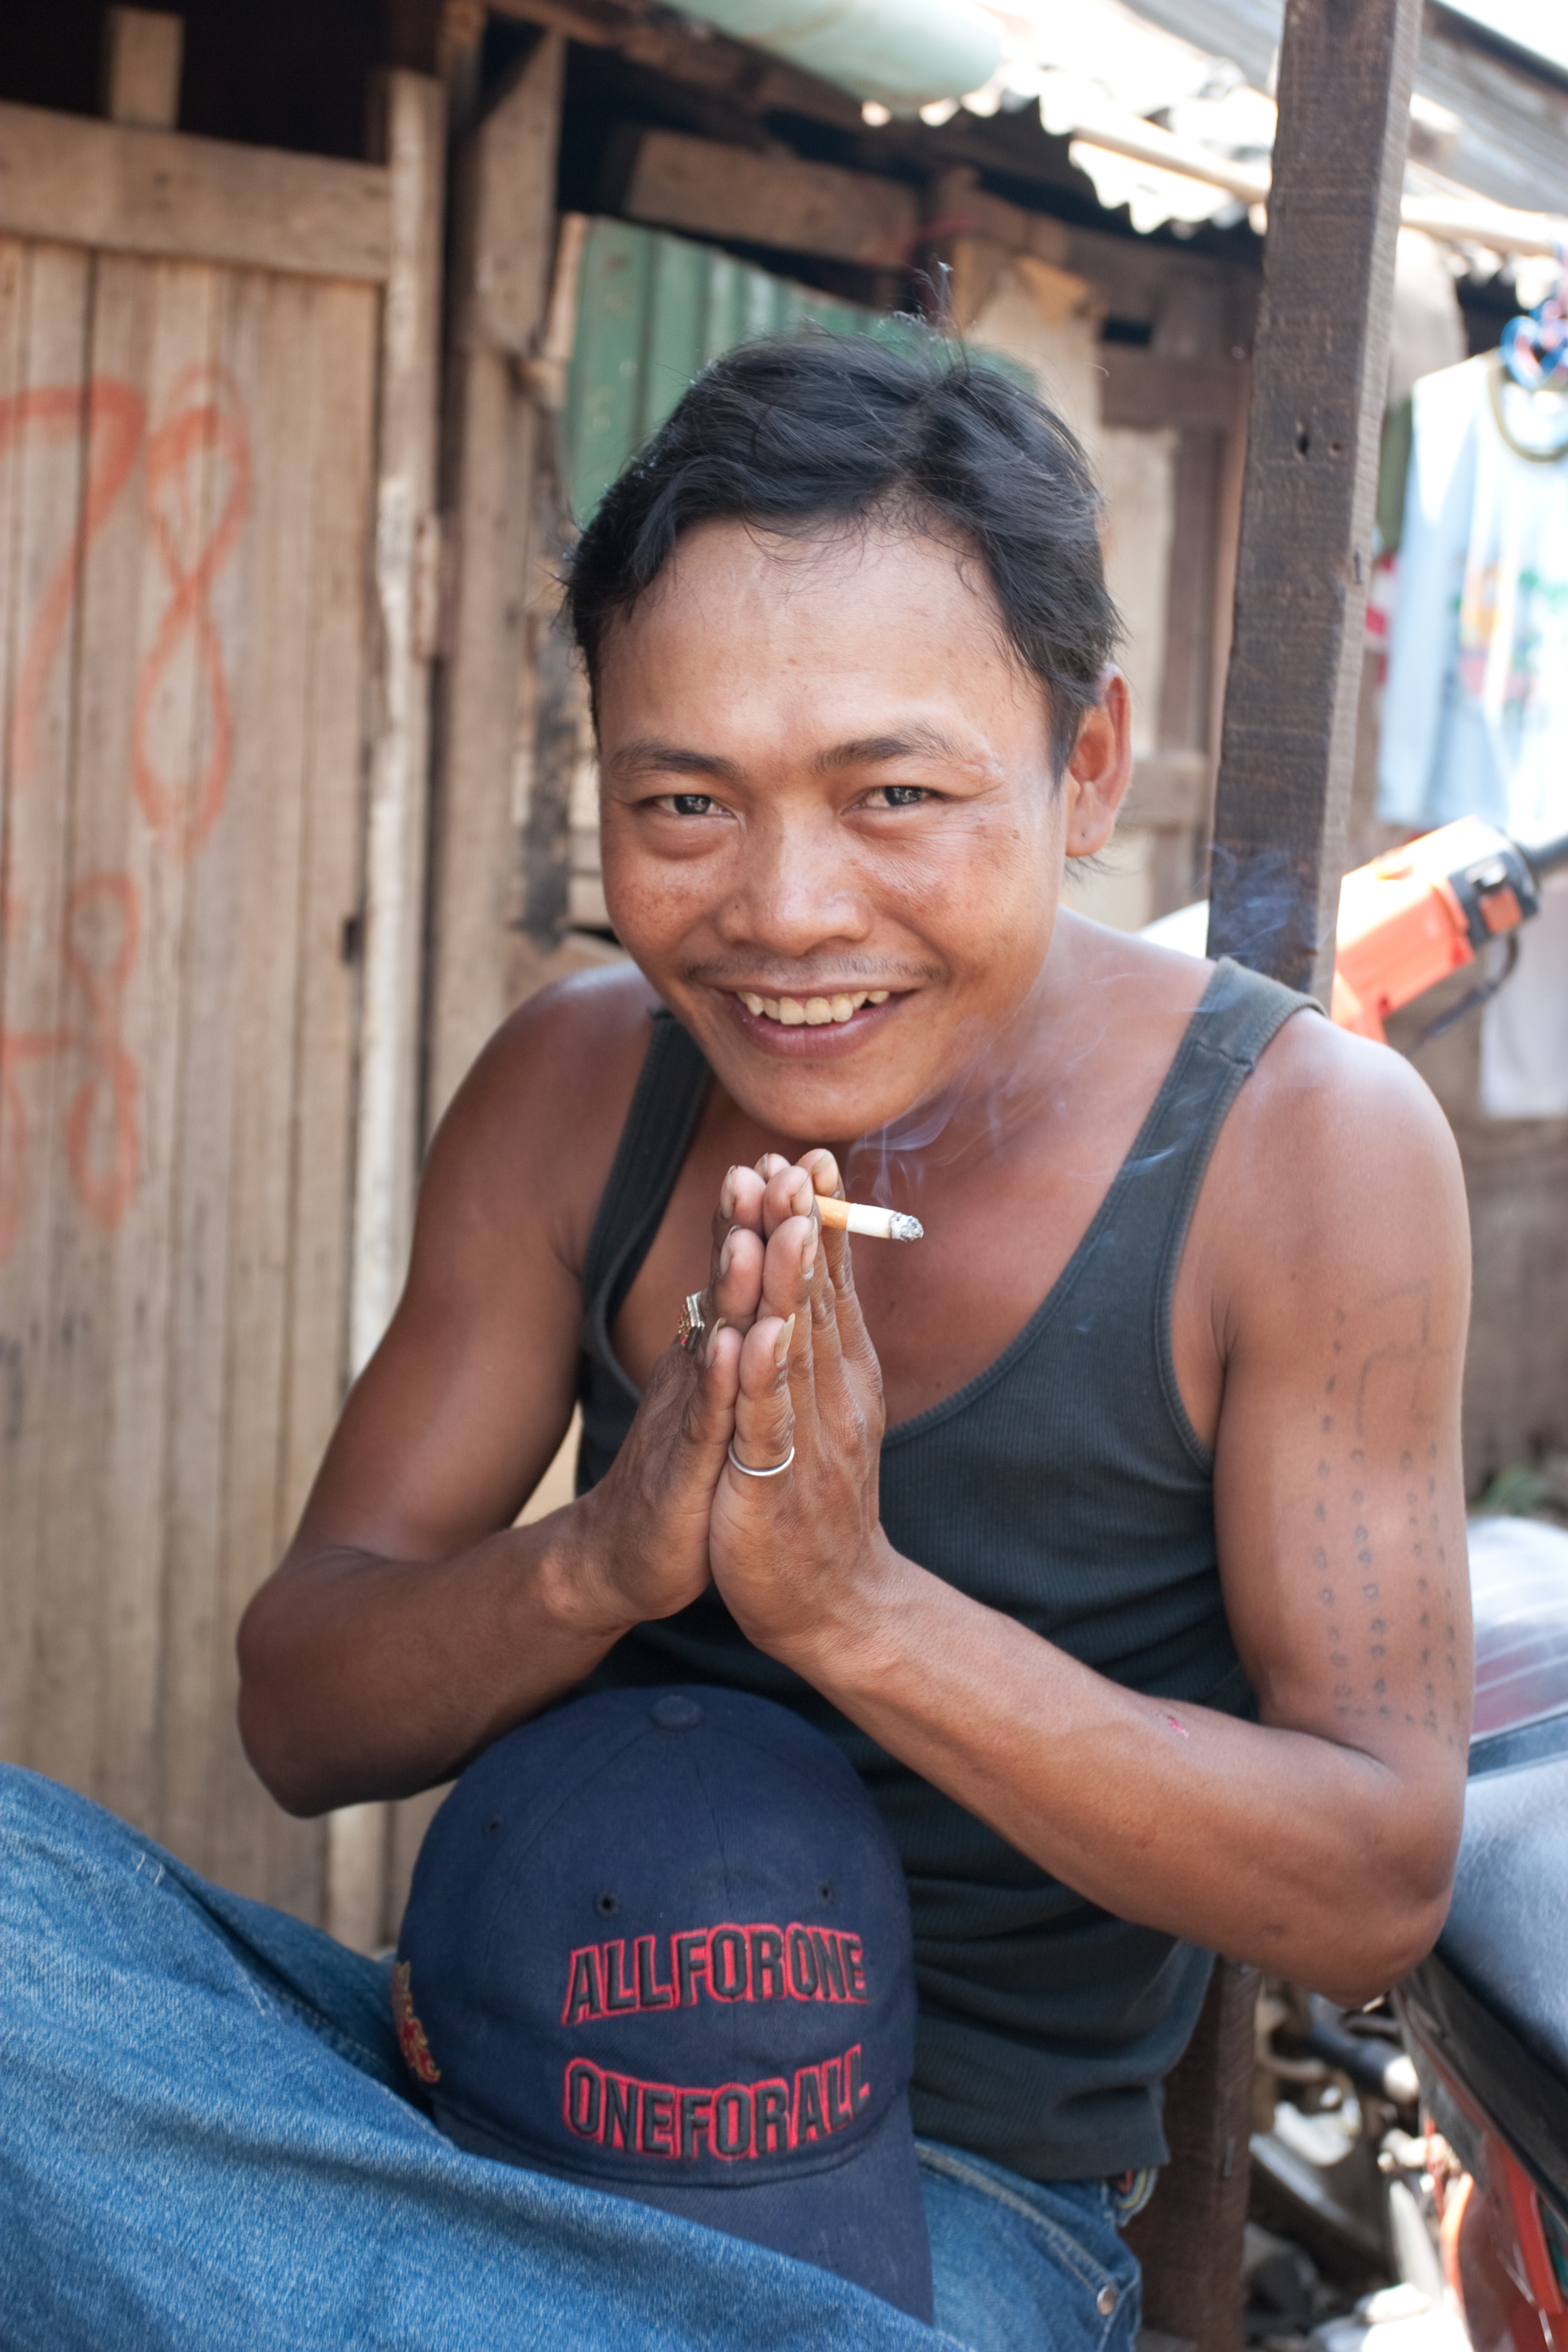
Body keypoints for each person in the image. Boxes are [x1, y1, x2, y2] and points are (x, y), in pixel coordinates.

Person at [16, 331, 1471, 2352]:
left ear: (1091, 763)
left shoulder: (1299, 1155)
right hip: (488, 2085)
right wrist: (606, 1557)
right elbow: (304, 1711)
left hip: (924, 2197)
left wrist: (857, 1608)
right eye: (683, 801)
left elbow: (1374, 1873)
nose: (786, 911)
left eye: (896, 795)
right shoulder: (571, 1089)